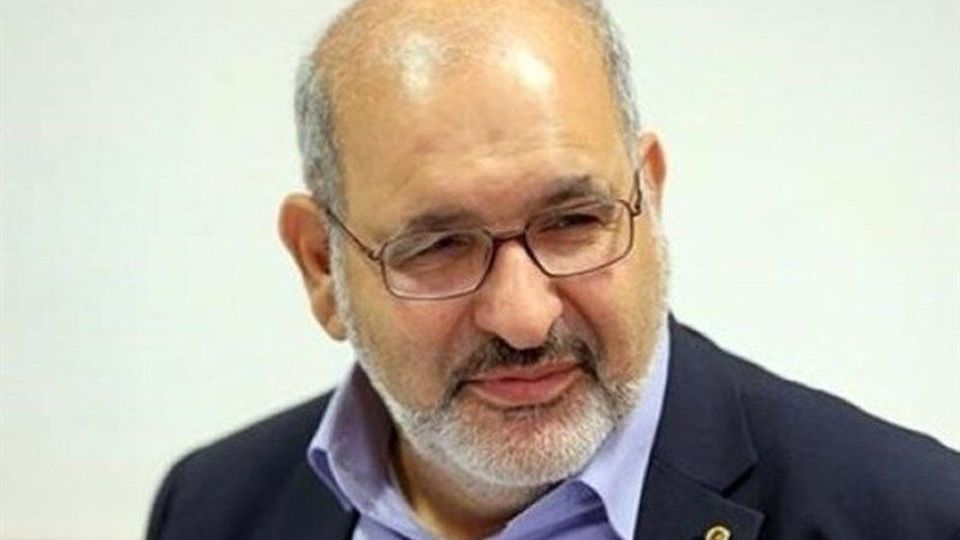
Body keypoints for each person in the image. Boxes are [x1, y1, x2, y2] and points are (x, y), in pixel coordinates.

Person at [146, 0, 960, 538]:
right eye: (438, 245)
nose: (524, 317)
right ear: (321, 266)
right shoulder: (211, 509)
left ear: (648, 198)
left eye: (573, 223)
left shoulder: (910, 518)